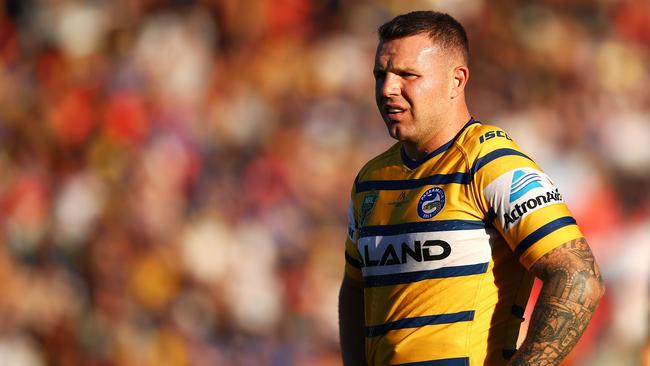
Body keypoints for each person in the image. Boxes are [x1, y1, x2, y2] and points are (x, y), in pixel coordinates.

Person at [338, 10, 604, 366]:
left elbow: (578, 275)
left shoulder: (491, 163)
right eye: (380, 75)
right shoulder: (371, 179)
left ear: (456, 80)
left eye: (407, 75)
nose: (388, 89)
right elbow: (355, 289)